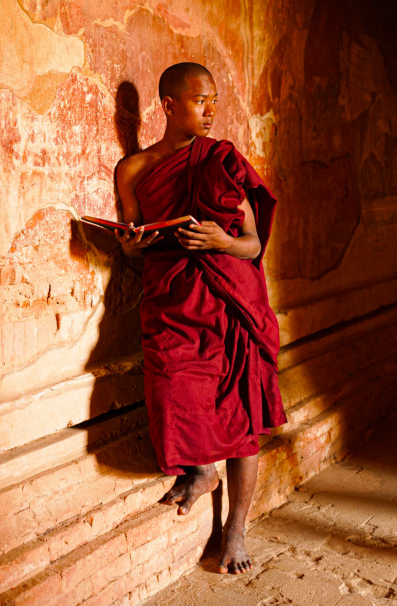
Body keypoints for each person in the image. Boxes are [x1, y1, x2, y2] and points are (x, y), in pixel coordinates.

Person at [113, 62, 286, 575]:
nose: (210, 110)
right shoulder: (134, 170)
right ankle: (201, 469)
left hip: (228, 298)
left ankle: (235, 528)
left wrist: (221, 242)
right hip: (170, 298)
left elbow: (252, 243)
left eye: (213, 99)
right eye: (198, 100)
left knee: (239, 412)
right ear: (168, 106)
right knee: (171, 385)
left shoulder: (222, 160)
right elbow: (131, 243)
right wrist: (130, 245)